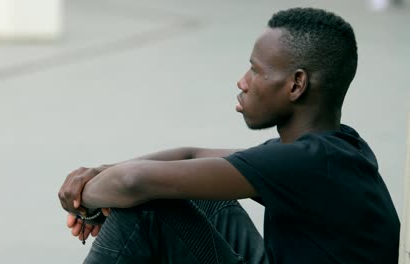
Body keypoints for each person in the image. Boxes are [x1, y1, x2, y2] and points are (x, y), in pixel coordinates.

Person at [58, 7, 400, 263]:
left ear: (296, 84)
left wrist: (84, 196)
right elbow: (191, 157)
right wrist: (102, 171)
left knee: (146, 207)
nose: (243, 81)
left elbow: (134, 182)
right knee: (204, 192)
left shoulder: (308, 162)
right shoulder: (336, 149)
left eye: (256, 70)